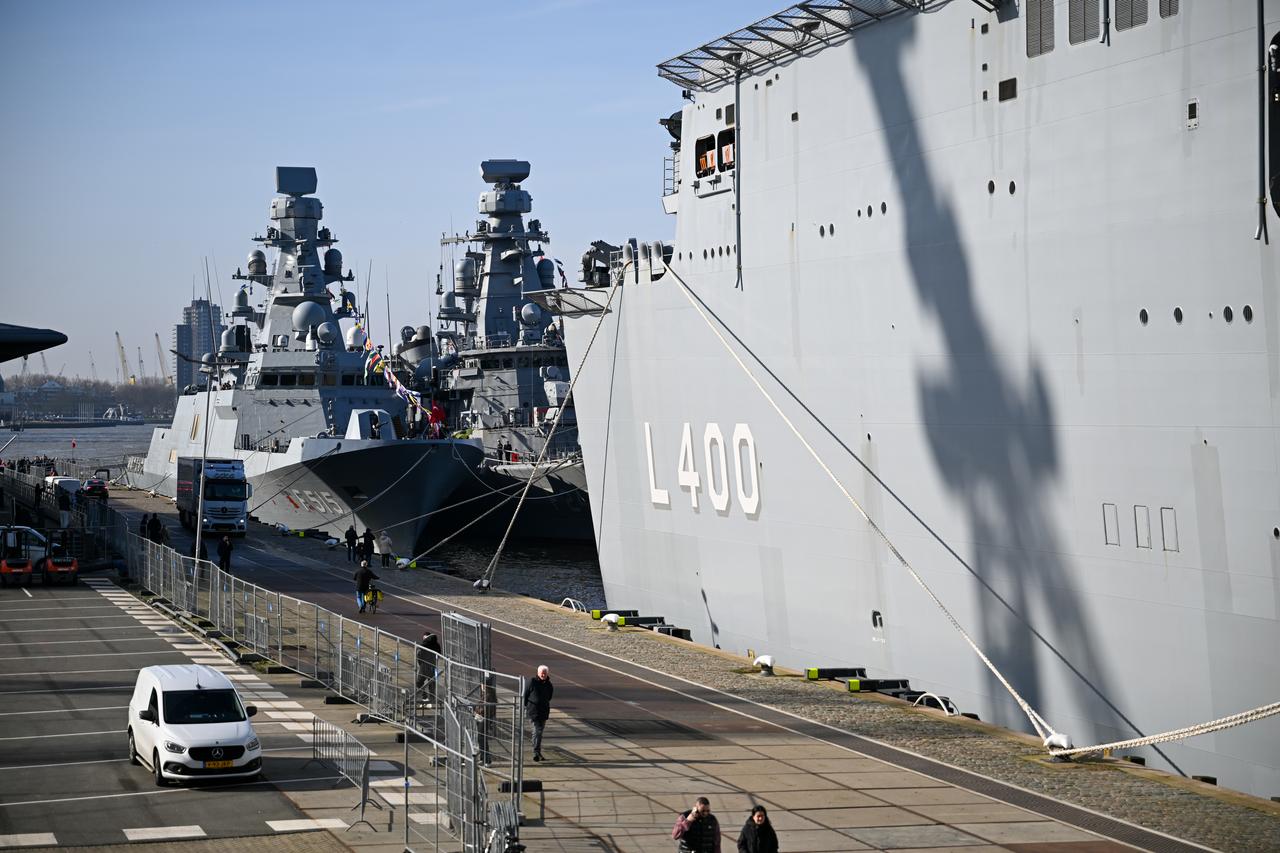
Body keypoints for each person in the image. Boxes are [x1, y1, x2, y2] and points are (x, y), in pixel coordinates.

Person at [522, 664, 554, 762]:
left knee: (539, 733)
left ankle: (537, 751)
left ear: (547, 673)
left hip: (543, 712)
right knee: (537, 731)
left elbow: (549, 697)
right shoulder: (532, 682)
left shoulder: (549, 685)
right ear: (538, 673)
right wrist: (526, 706)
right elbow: (525, 695)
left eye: (545, 673)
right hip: (533, 711)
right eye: (541, 673)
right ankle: (536, 752)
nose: (543, 675)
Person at [415, 632, 441, 705]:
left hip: (424, 666)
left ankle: (424, 696)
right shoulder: (437, 645)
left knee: (419, 682)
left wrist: (421, 663)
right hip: (433, 665)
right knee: (432, 683)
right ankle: (432, 699)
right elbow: (439, 654)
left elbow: (419, 655)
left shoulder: (424, 645)